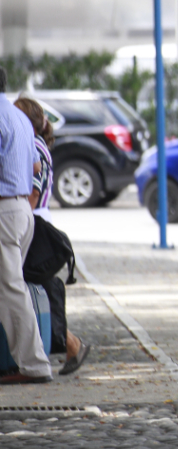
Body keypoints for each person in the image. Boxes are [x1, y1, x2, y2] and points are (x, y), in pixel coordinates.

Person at [11, 97, 88, 375]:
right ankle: (67, 345)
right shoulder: (35, 145)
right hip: (35, 219)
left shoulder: (32, 146)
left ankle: (67, 344)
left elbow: (33, 189)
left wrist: (22, 218)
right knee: (23, 287)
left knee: (17, 286)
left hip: (35, 221)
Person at [0, 70, 53, 384]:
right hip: (21, 210)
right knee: (8, 289)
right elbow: (35, 165)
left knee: (10, 290)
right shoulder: (18, 117)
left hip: (4, 209)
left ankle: (34, 365)